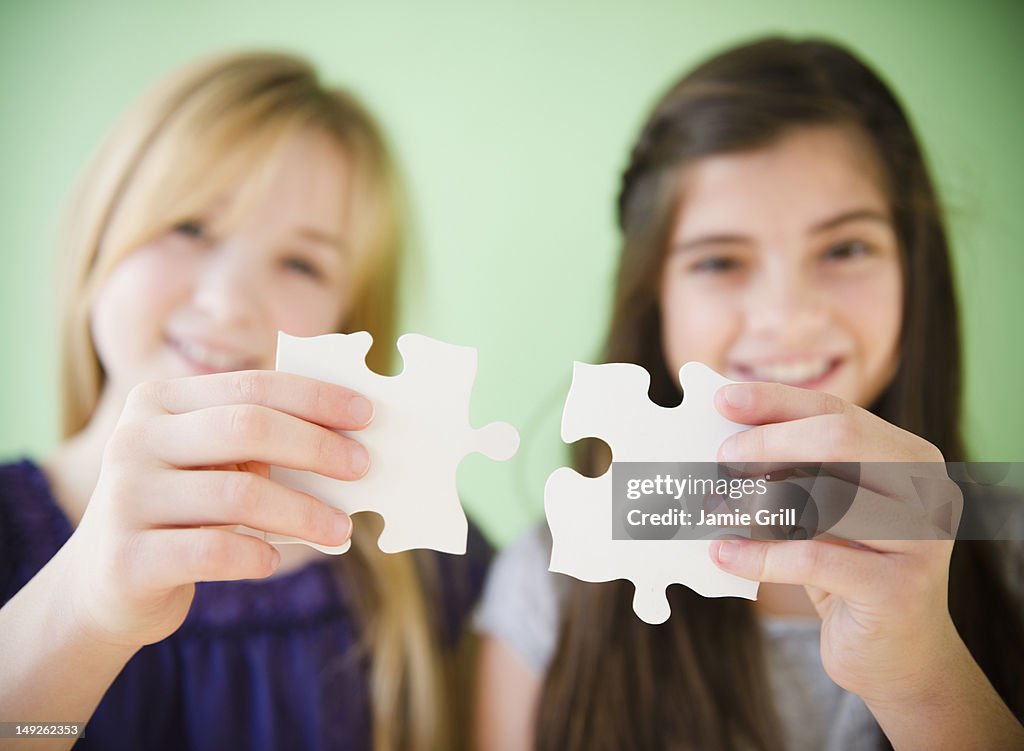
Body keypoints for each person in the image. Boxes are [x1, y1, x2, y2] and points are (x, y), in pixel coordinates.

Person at [473, 37, 1024, 751]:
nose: (787, 315)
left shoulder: (1012, 554)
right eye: (721, 260)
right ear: (654, 297)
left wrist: (924, 681)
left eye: (844, 248)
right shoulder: (547, 591)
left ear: (916, 273)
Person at [0, 51, 489, 751]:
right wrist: (82, 608)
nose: (228, 303)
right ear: (99, 233)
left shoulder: (425, 565)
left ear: (351, 324)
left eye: (301, 263)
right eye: (191, 226)